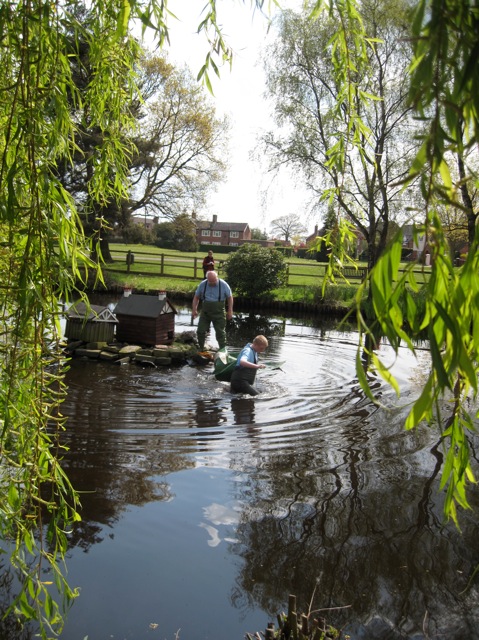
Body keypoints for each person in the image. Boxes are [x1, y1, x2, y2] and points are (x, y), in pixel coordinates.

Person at [192, 270, 233, 351]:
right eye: (210, 281)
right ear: (207, 279)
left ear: (217, 278)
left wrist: (230, 310)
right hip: (205, 313)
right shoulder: (203, 284)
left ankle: (223, 350)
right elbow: (196, 297)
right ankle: (201, 349)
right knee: (200, 330)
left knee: (220, 332)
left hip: (219, 313)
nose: (212, 283)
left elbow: (230, 297)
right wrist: (194, 309)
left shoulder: (223, 285)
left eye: (214, 281)